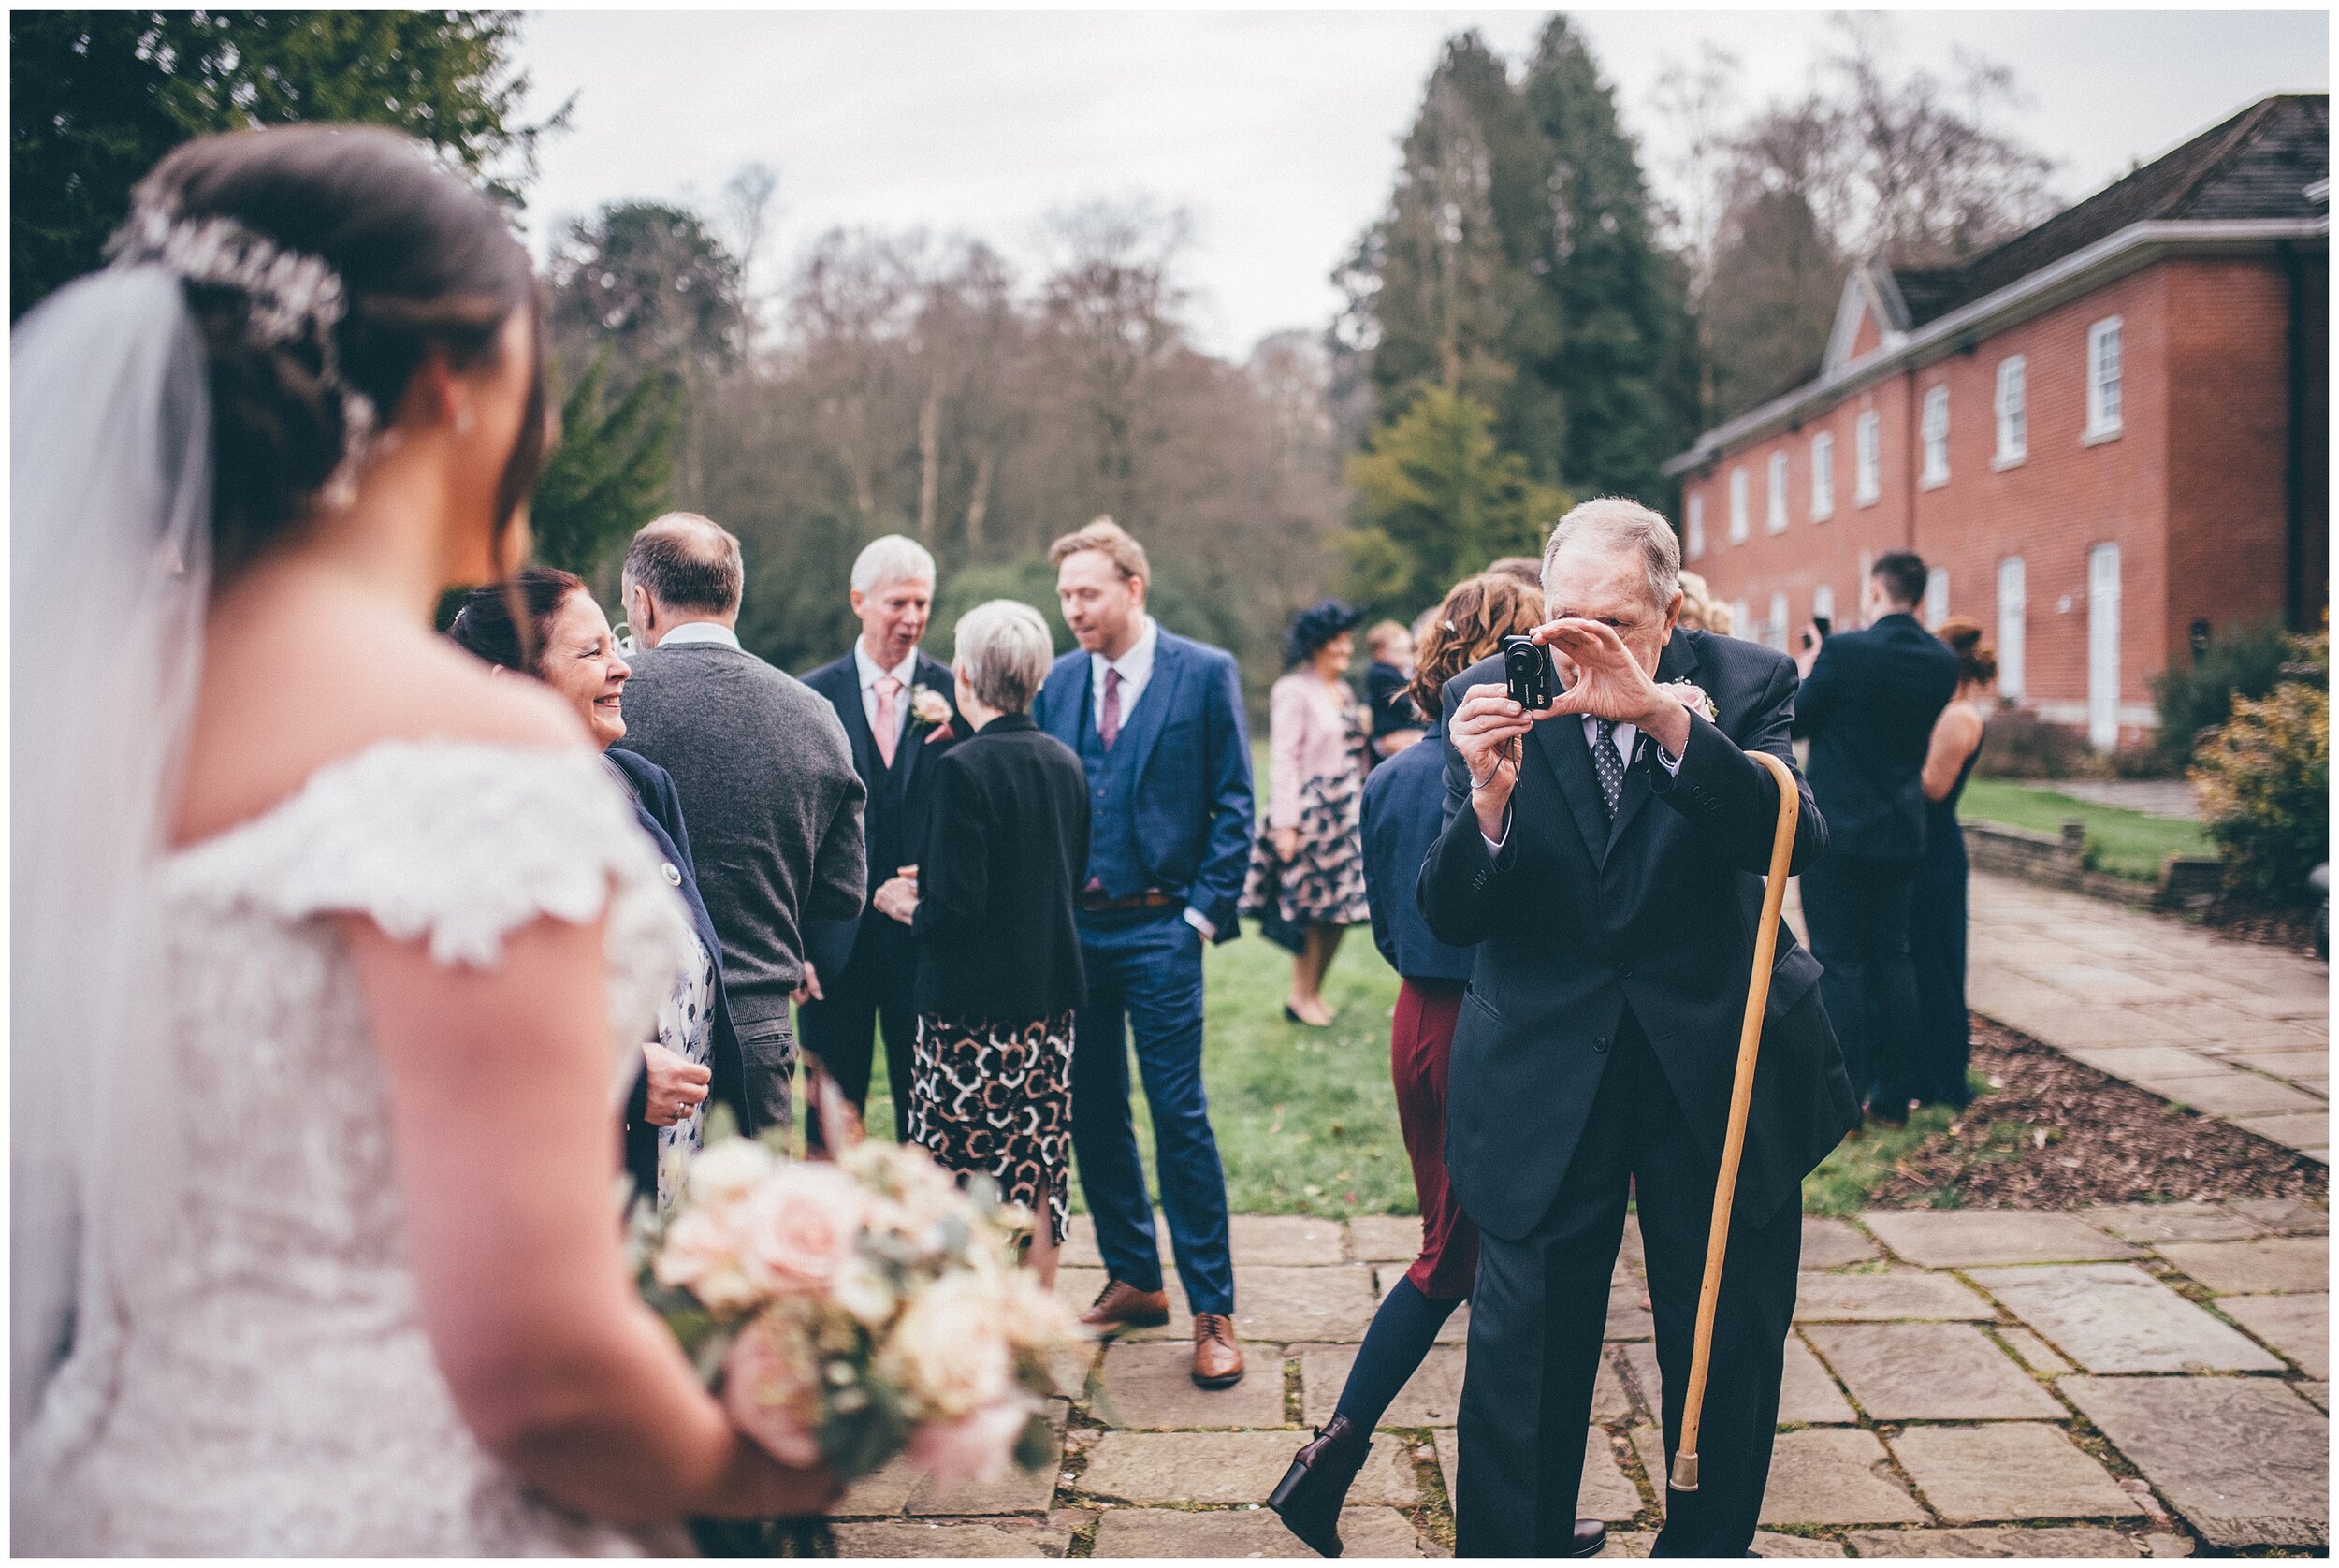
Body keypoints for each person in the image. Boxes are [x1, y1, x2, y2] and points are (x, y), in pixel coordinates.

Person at [12, 125, 834, 1552]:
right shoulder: (470, 751)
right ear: (459, 385)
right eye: (541, 372)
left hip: (97, 1493)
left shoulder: (59, 732)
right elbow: (543, 1374)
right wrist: (763, 1463)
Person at [1424, 498, 1856, 1558]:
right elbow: (1447, 914)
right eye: (1563, 615)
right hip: (1542, 1064)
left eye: (1613, 621)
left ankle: (1706, 1542)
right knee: (1523, 1348)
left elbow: (1793, 836)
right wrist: (1484, 806)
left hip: (1709, 1059)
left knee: (1727, 1338)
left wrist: (1668, 719)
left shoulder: (1748, 680)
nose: (1578, 645)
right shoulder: (1488, 693)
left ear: (1670, 607)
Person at [1271, 572, 1602, 1559]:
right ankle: (1336, 1462)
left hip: (1413, 1020)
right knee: (1459, 1261)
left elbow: (1385, 919)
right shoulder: (1512, 768)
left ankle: (1517, 1509)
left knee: (1453, 1249)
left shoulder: (1384, 778)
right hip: (1482, 1028)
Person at [1031, 517, 1256, 1389]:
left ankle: (1213, 1308)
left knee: (1179, 1117)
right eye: (1064, 596)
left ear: (1133, 588)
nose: (1073, 609)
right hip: (1078, 936)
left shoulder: (1204, 674)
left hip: (1166, 929)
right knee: (1092, 1110)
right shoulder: (1055, 684)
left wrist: (1200, 917)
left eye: (1086, 593)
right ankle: (1134, 1279)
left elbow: (1236, 801)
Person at [446, 566, 750, 1208]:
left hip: (683, 1167)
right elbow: (476, 1027)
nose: (624, 668)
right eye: (592, 652)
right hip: (568, 1182)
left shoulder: (641, 786)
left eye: (615, 645)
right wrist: (635, 1079)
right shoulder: (472, 825)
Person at [615, 513, 867, 1138]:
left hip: (630, 1029)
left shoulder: (608, 701)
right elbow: (842, 893)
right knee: (741, 1226)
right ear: (734, 596)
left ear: (641, 604)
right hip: (758, 1025)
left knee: (631, 1227)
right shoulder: (814, 716)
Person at [870, 601, 1087, 1287]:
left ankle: (972, 1332)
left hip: (971, 1015)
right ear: (1038, 677)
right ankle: (1037, 1321)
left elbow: (956, 914)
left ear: (962, 675)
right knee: (1040, 1159)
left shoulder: (961, 769)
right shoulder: (1064, 761)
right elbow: (1053, 875)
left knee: (962, 1170)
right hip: (1048, 1005)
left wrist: (908, 903)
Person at [799, 535, 961, 1143]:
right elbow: (794, 830)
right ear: (859, 601)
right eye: (898, 604)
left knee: (934, 1117)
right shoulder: (809, 696)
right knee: (831, 1123)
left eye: (922, 604)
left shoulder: (956, 698)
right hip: (832, 951)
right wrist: (799, 941)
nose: (913, 619)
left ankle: (923, 1235)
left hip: (927, 945)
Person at [1791, 551, 1960, 1126]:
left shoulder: (1845, 651)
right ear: (1919, 596)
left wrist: (1813, 668)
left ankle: (1846, 1099)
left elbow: (1800, 720)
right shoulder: (1942, 661)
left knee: (1839, 962)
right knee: (1894, 958)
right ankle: (1894, 1098)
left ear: (1873, 591)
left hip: (1837, 830)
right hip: (1903, 829)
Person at [1244, 599, 1372, 1028]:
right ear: (1316, 645)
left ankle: (1315, 992)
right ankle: (1300, 996)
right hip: (1310, 814)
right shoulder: (1292, 690)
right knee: (1310, 910)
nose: (1346, 647)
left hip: (1346, 813)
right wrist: (1286, 824)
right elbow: (1283, 758)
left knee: (1340, 911)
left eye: (1346, 639)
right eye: (1337, 640)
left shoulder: (1345, 691)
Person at [1910, 617, 1996, 1111]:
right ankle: (1926, 1071)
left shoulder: (1958, 717)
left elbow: (1932, 787)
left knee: (1938, 964)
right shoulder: (1947, 711)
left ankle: (1945, 1078)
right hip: (1929, 848)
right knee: (1924, 962)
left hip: (1935, 852)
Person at [1363, 618, 1425, 759]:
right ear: (1379, 653)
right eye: (1397, 651)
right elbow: (1400, 702)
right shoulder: (1381, 674)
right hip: (1390, 730)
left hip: (1403, 729)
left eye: (1407, 650)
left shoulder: (1399, 671)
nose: (1404, 656)